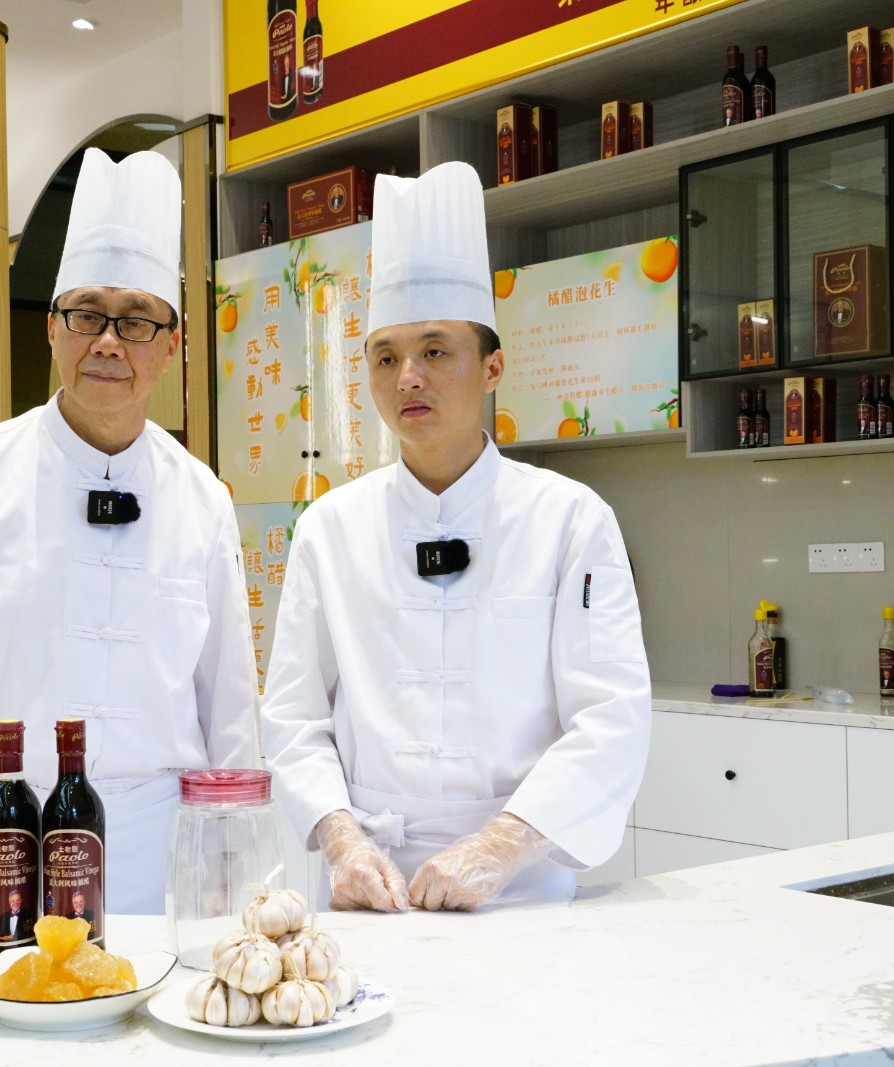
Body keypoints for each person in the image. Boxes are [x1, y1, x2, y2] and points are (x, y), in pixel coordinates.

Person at [0, 148, 259, 914]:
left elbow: (230, 706)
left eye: (136, 320)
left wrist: (234, 867)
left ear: (171, 345)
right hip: (1, 849)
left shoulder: (204, 499)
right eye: (86, 314)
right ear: (51, 329)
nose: (108, 341)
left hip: (160, 862)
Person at [259, 162, 652, 913]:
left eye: (435, 351)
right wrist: (341, 842)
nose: (408, 377)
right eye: (386, 357)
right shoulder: (328, 530)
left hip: (522, 892)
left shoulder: (570, 519)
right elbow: (292, 718)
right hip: (367, 891)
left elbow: (610, 716)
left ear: (492, 366)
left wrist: (499, 844)